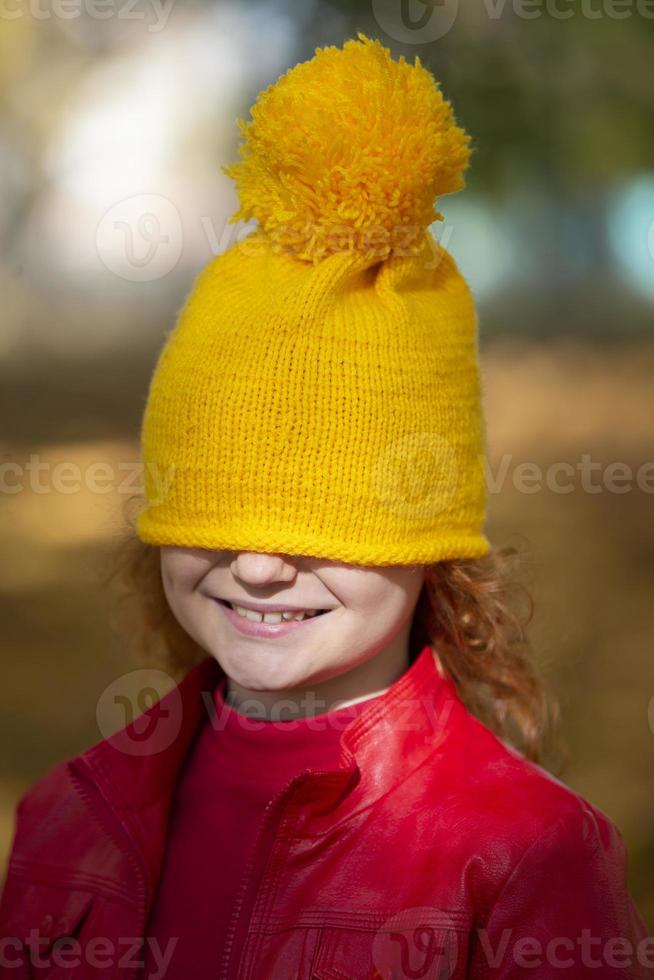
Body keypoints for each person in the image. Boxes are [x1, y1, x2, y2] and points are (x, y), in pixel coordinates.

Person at [0, 34, 650, 980]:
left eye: (327, 519)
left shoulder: (526, 856)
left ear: (432, 543)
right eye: (217, 509)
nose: (259, 566)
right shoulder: (67, 816)